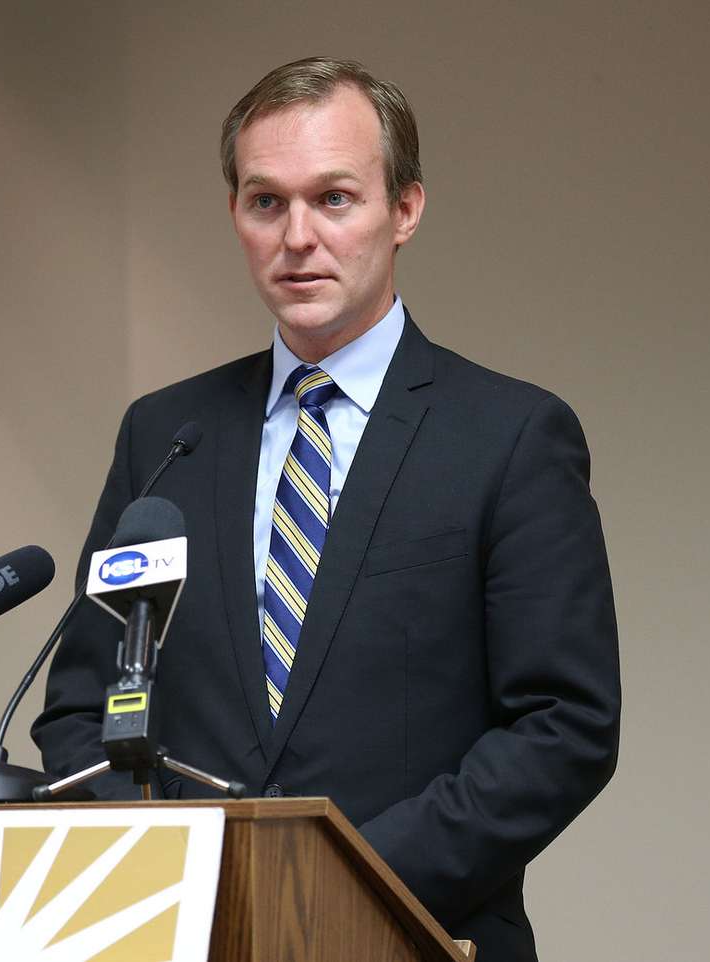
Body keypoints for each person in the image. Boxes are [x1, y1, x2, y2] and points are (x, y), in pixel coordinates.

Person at [32, 56, 620, 962]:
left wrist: (333, 885)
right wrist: (178, 878)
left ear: (407, 210)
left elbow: (564, 726)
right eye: (267, 202)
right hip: (183, 937)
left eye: (335, 198)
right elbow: (80, 708)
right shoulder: (165, 436)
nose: (298, 236)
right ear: (236, 216)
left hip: (416, 932)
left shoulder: (509, 436)